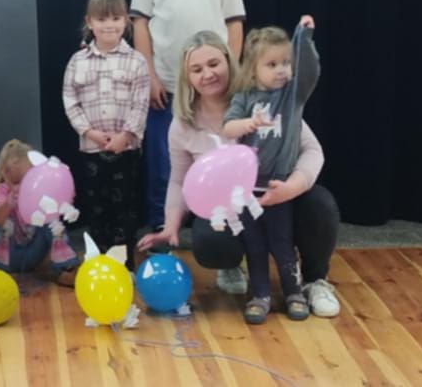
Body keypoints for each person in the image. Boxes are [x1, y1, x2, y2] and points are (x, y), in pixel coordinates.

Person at [137, 30, 340, 319]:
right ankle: (234, 268)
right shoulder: (182, 124)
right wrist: (171, 226)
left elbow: (313, 150)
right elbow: (179, 180)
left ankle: (313, 281)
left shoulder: (264, 99)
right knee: (209, 238)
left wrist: (292, 187)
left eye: (214, 64)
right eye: (197, 69)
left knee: (321, 205)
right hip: (231, 210)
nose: (207, 74)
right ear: (187, 77)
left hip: (277, 194)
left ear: (229, 62)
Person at [130, 0, 246, 232]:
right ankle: (162, 228)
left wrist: (232, 74)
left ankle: (218, 227)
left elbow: (234, 22)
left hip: (214, 87)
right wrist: (149, 74)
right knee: (164, 163)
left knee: (220, 157)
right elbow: (140, 23)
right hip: (166, 85)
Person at [222, 16, 318, 323]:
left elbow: (309, 71)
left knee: (282, 243)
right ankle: (260, 294)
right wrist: (247, 124)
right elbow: (227, 128)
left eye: (285, 63)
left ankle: (294, 292)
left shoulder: (291, 96)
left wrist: (304, 38)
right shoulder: (244, 97)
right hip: (248, 189)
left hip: (278, 189)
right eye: (272, 64)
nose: (281, 70)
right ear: (254, 69)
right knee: (255, 244)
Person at [62, 0, 149, 269]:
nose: (109, 25)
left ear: (126, 21)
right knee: (96, 209)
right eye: (101, 19)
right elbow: (70, 101)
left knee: (125, 209)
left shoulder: (136, 61)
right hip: (91, 149)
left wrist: (126, 135)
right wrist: (89, 132)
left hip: (126, 150)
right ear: (90, 22)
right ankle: (99, 263)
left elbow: (141, 103)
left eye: (116, 18)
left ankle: (124, 266)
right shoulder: (77, 62)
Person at [0, 139, 80, 284]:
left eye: (27, 179)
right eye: (17, 182)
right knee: (3, 226)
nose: (22, 186)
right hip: (7, 256)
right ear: (6, 174)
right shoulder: (3, 190)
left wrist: (64, 203)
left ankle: (67, 268)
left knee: (52, 224)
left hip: (33, 252)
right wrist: (8, 204)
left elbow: (55, 213)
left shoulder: (40, 191)